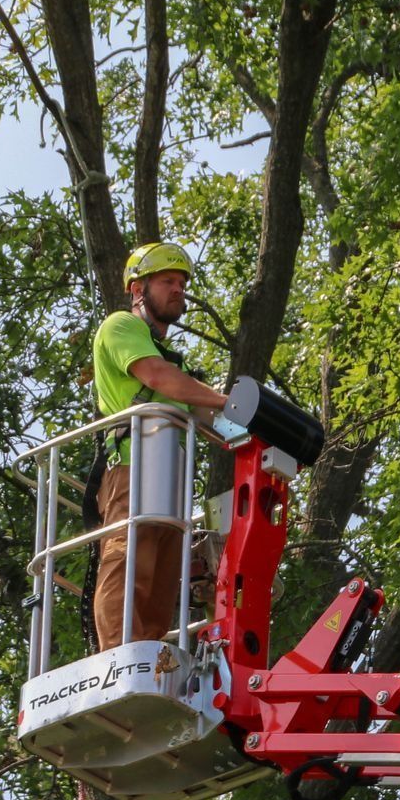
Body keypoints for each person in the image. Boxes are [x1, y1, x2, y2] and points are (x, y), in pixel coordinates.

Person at [90, 242, 228, 649]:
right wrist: (223, 400)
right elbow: (156, 376)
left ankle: (148, 659)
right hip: (131, 471)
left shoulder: (177, 365)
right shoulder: (121, 326)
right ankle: (117, 656)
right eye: (167, 281)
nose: (178, 289)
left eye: (182, 283)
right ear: (138, 289)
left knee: (163, 579)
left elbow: (210, 422)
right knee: (129, 560)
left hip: (171, 482)